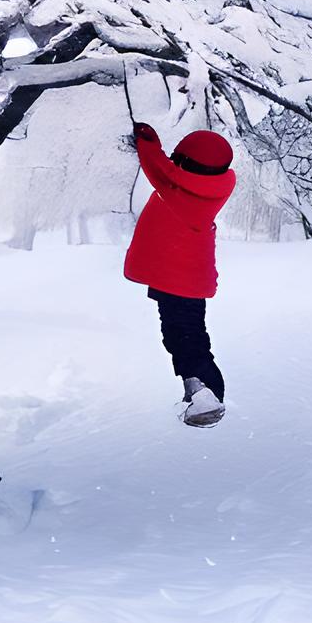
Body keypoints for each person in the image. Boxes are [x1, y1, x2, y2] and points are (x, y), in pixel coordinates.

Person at [123, 120, 236, 425]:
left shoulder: (179, 190)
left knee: (183, 336)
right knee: (183, 334)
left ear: (186, 163)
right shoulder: (213, 188)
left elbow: (158, 167)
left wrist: (147, 140)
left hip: (179, 278)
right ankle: (198, 389)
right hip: (183, 276)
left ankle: (205, 390)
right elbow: (168, 171)